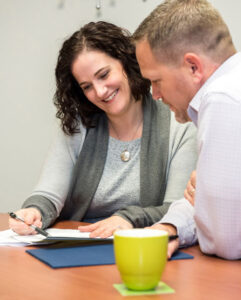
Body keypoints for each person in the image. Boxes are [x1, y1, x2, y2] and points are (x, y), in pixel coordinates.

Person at [9, 21, 197, 238]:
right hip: (80, 247)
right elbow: (48, 196)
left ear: (126, 63)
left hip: (144, 248)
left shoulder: (180, 123)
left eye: (104, 75)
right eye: (86, 86)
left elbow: (179, 210)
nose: (99, 92)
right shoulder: (77, 125)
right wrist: (35, 211)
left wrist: (128, 218)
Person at [134, 0, 241, 260]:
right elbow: (205, 206)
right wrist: (174, 224)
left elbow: (225, 241)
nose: (155, 95)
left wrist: (202, 202)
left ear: (193, 67)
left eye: (156, 80)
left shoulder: (222, 99)